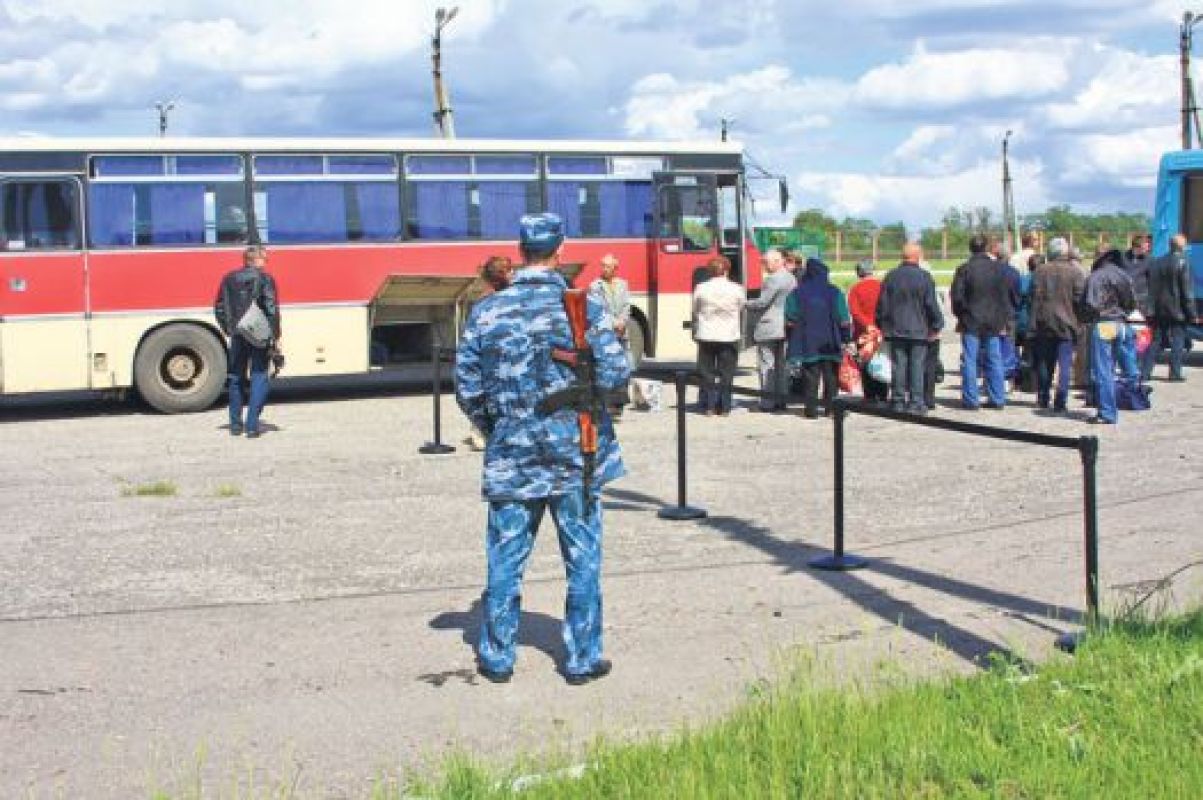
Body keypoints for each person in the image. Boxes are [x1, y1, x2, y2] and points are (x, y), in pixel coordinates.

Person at [454, 212, 629, 685]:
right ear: (561, 248)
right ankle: (581, 657)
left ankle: (496, 656)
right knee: (582, 556)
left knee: (506, 558)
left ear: (520, 248)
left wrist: (499, 428)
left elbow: (467, 387)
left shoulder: (487, 310)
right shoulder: (584, 306)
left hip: (512, 458)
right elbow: (615, 375)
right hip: (575, 456)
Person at [214, 245, 281, 438]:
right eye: (265, 259)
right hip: (259, 335)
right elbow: (271, 310)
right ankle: (252, 426)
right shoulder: (266, 279)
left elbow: (219, 307)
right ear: (256, 260)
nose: (266, 263)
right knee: (259, 375)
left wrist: (229, 328)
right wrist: (275, 336)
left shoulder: (229, 279)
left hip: (237, 334)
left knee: (236, 377)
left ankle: (235, 425)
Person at [951, 235, 1018, 410]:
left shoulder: (964, 269)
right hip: (994, 321)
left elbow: (957, 298)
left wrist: (962, 315)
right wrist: (1002, 317)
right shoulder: (998, 269)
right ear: (986, 248)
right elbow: (1005, 296)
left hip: (971, 320)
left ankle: (971, 399)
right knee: (994, 360)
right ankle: (997, 398)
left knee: (970, 360)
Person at [876, 243, 944, 414]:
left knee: (898, 365)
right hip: (919, 329)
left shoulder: (891, 276)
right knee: (917, 366)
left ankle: (898, 401)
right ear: (918, 256)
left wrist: (881, 324)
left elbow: (882, 304)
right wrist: (937, 324)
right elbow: (930, 304)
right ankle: (916, 402)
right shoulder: (924, 277)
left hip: (896, 328)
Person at [785, 258, 851, 418]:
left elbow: (790, 316)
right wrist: (846, 339)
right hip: (830, 340)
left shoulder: (797, 292)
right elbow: (843, 318)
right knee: (831, 376)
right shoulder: (834, 291)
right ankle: (830, 409)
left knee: (810, 375)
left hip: (808, 340)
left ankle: (811, 410)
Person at [1079, 249, 1139, 424]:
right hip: (1121, 324)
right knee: (1118, 367)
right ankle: (1123, 400)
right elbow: (1132, 302)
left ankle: (1107, 412)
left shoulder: (1095, 277)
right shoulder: (1124, 276)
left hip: (1103, 324)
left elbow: (1090, 304)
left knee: (1103, 370)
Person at [464, 256, 515, 451]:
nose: (513, 274)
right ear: (502, 275)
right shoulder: (491, 302)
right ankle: (480, 430)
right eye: (510, 270)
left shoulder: (483, 303)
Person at [1028, 238, 1085, 412]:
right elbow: (1079, 299)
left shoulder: (1040, 271)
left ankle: (1043, 397)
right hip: (1068, 322)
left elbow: (1033, 297)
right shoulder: (1075, 273)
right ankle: (1061, 399)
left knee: (1045, 363)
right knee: (1065, 364)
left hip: (1044, 322)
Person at [692, 255, 746, 416]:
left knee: (707, 373)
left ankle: (709, 406)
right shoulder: (737, 288)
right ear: (727, 270)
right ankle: (725, 407)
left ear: (710, 271)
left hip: (707, 334)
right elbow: (741, 306)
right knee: (727, 373)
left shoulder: (701, 287)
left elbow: (695, 308)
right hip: (729, 335)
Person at [745, 248, 797, 411]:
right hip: (786, 326)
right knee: (782, 365)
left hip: (769, 326)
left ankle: (767, 402)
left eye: (766, 263)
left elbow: (762, 302)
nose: (764, 266)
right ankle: (782, 399)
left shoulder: (773, 279)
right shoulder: (791, 278)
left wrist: (745, 303)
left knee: (766, 364)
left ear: (777, 261)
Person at [1143, 233, 1196, 382]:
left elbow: (1151, 287)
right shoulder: (1183, 262)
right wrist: (1192, 313)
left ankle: (1145, 372)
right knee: (1178, 341)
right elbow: (1187, 291)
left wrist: (1150, 308)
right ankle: (1174, 373)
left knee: (1156, 340)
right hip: (1177, 309)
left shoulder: (1157, 262)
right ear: (1183, 246)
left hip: (1159, 308)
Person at [588, 253, 633, 415]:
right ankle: (607, 402)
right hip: (606, 333)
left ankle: (619, 403)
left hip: (621, 332)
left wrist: (622, 321)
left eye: (607, 266)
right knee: (607, 367)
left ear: (615, 268)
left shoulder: (623, 284)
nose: (604, 269)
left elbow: (627, 306)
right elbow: (597, 308)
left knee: (624, 366)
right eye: (603, 266)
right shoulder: (595, 286)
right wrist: (614, 323)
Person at [847, 258, 888, 403]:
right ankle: (882, 393)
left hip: (862, 333)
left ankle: (869, 395)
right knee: (882, 361)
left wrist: (866, 324)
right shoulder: (882, 286)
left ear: (859, 272)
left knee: (865, 363)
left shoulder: (855, 289)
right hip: (881, 330)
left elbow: (854, 311)